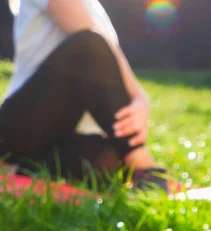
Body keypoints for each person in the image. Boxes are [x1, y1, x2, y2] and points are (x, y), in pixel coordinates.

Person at [0, 0, 176, 192]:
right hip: (18, 130)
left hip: (65, 136)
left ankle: (23, 171)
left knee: (108, 160)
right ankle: (145, 168)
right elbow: (90, 45)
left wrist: (139, 99)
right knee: (89, 46)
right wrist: (139, 95)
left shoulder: (94, 6)